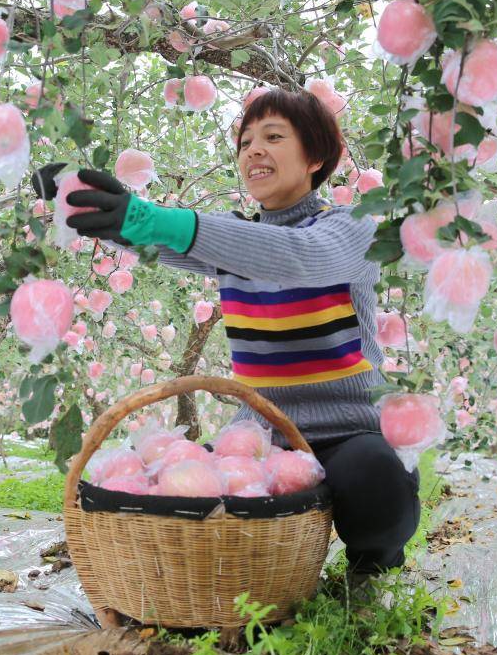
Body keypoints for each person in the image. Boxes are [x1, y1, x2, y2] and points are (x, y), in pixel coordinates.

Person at [31, 88, 419, 578]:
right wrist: (93, 209)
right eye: (245, 141)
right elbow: (162, 244)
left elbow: (301, 257)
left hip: (349, 432)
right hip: (261, 438)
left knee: (377, 481)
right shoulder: (235, 241)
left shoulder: (350, 228)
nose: (253, 149)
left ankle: (375, 562)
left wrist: (149, 218)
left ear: (315, 157)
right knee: (183, 491)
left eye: (273, 136)